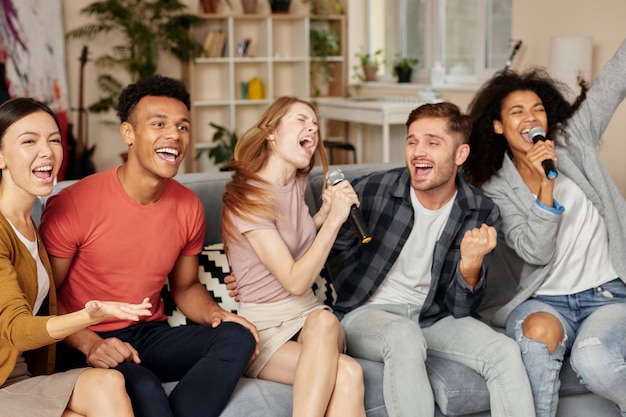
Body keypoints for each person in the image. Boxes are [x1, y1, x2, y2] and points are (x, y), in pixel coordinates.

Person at [227, 101, 536, 417]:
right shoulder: (374, 189)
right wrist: (258, 268)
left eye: (432, 142)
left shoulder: (480, 211)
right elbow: (321, 253)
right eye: (412, 141)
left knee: (505, 352)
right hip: (368, 313)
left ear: (460, 155)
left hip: (434, 315)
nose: (418, 151)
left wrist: (469, 266)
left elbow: (460, 308)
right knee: (404, 336)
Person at [38, 75, 258, 417]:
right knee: (143, 388)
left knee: (237, 337)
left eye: (183, 127)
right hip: (82, 337)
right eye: (159, 124)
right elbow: (43, 301)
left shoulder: (188, 206)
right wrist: (90, 343)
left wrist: (217, 314)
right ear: (128, 133)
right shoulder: (74, 204)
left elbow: (185, 287)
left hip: (149, 334)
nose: (174, 135)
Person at [462, 37, 626, 417]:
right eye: (517, 111)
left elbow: (614, 82)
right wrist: (545, 186)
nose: (531, 118)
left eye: (537, 109)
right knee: (537, 339)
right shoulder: (495, 188)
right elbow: (537, 251)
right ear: (500, 126)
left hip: (606, 295)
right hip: (544, 301)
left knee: (596, 360)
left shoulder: (574, 140)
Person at [0, 97, 154, 416]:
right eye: (29, 141)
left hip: (23, 378)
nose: (47, 151)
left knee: (109, 383)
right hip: (4, 384)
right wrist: (90, 315)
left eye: (54, 140)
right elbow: (17, 329)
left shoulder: (31, 220)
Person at [221, 96, 366, 417]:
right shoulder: (247, 199)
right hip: (265, 328)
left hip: (312, 320)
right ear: (271, 133)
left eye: (315, 125)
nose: (312, 129)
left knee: (324, 320)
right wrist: (335, 220)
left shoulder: (297, 183)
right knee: (349, 373)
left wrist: (323, 214)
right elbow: (296, 280)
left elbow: (293, 240)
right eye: (301, 120)